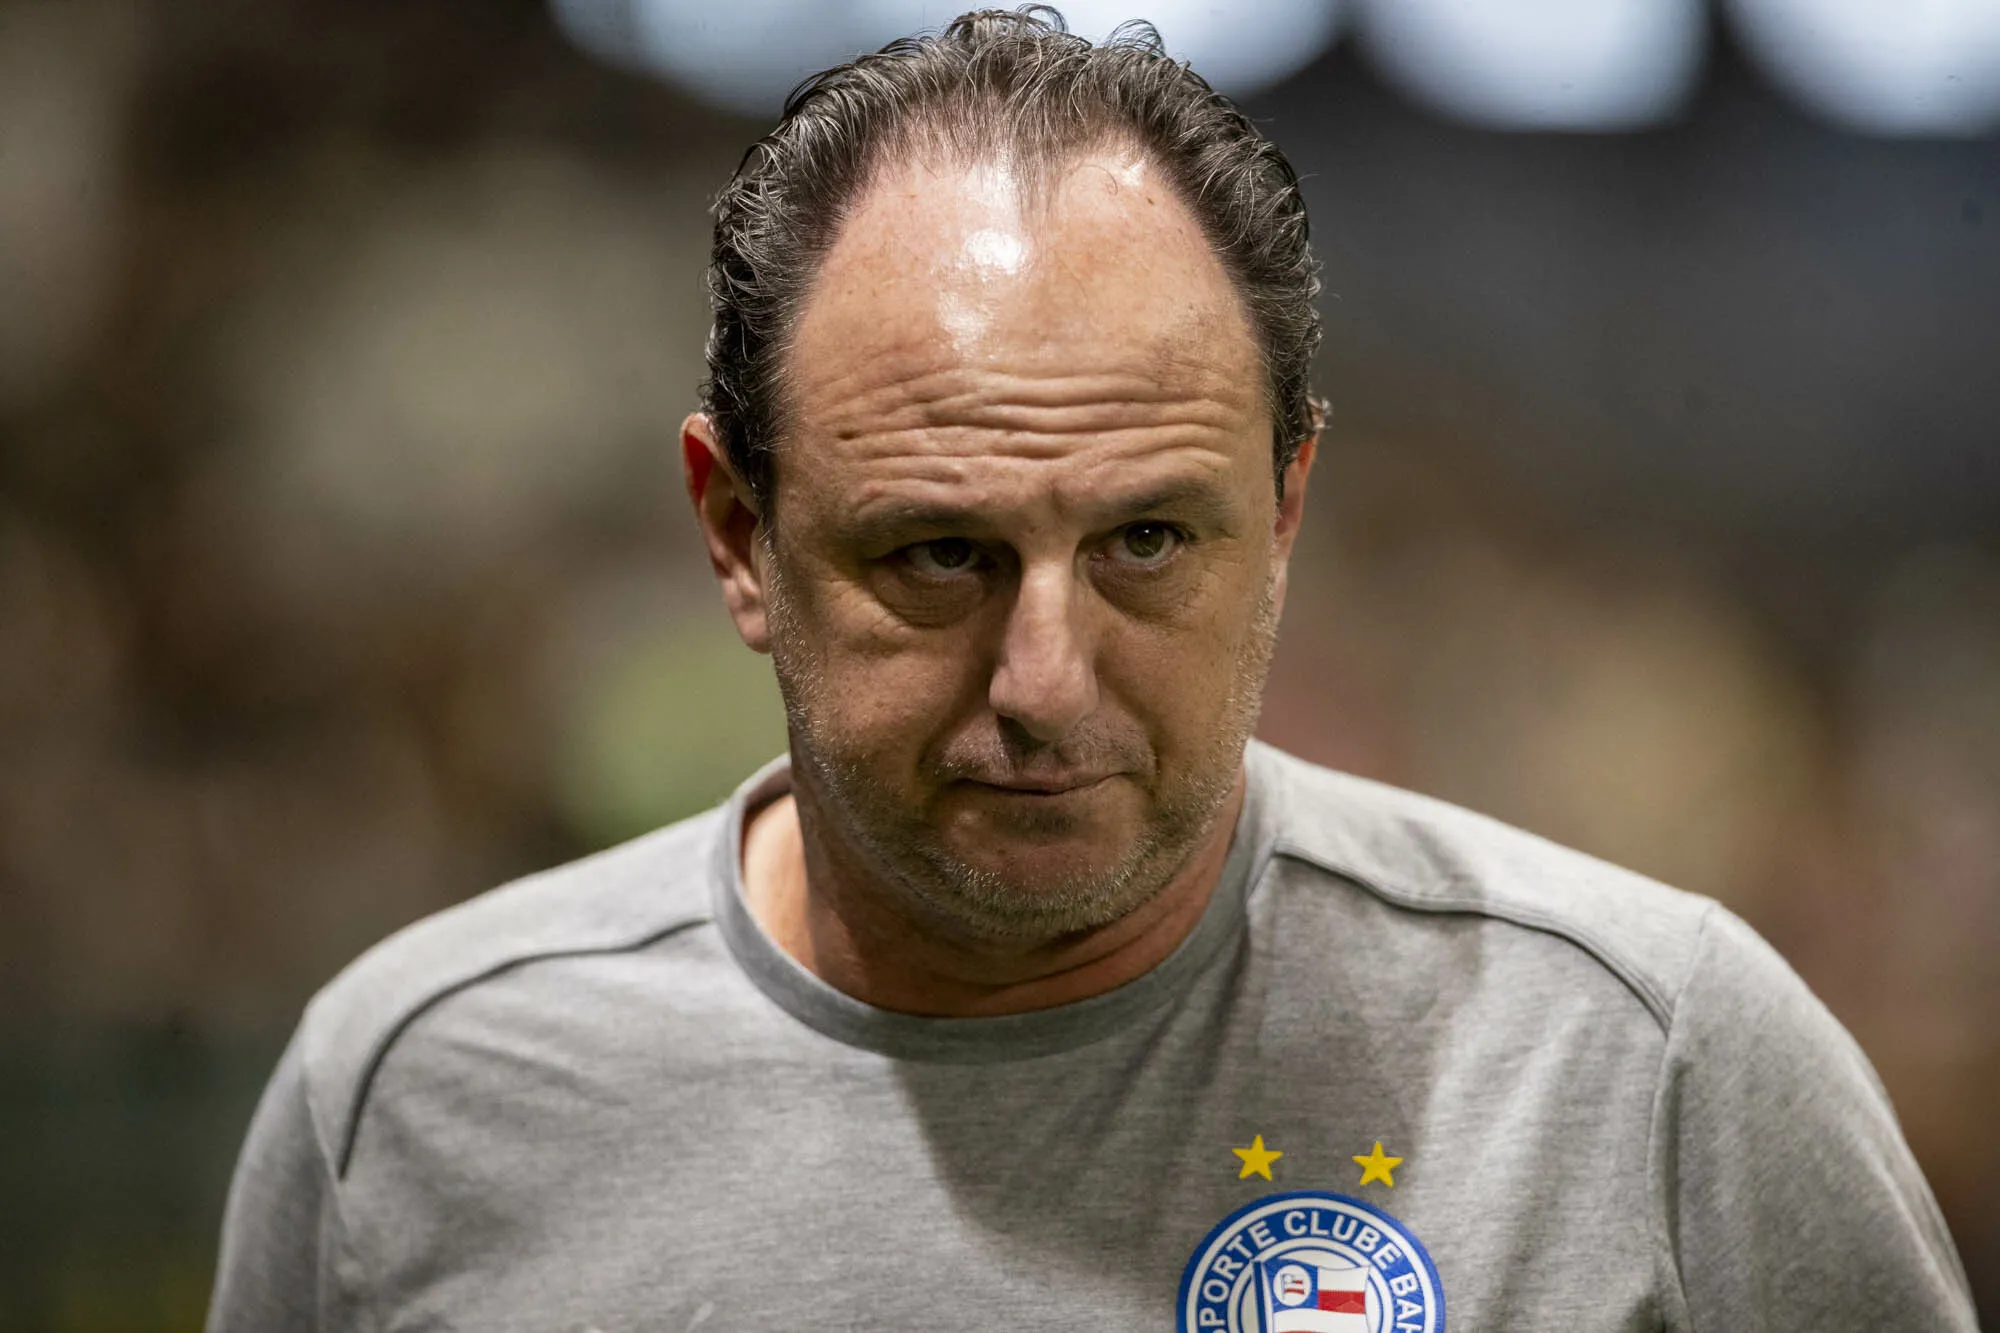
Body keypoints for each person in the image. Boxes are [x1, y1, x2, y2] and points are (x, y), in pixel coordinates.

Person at [207, 9, 1977, 1331]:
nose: (1046, 681)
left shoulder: (1647, 1070)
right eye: (939, 555)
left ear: (1285, 513)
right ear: (738, 535)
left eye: (1146, 542)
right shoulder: (418, 1098)